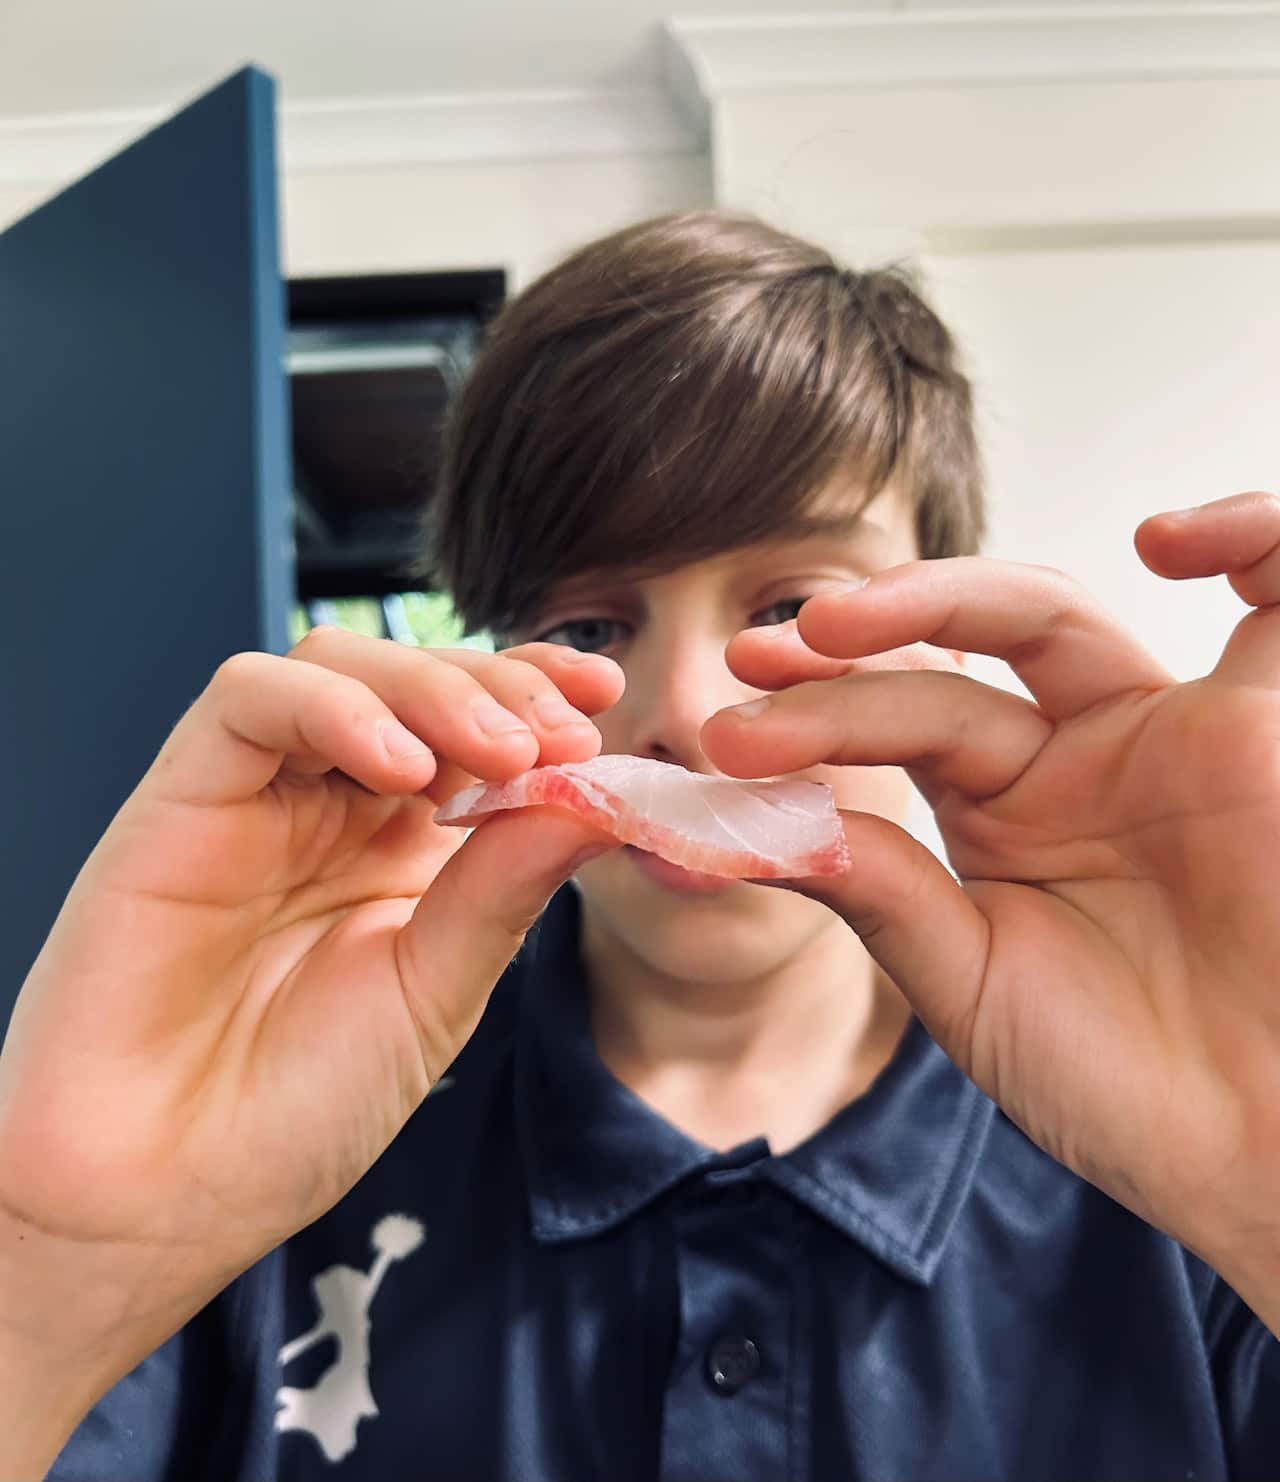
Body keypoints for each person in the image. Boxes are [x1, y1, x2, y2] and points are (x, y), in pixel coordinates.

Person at [1, 210, 1277, 1481]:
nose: (685, 716)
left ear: (942, 627)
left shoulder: (1171, 1165)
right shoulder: (279, 1137)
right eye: (591, 626)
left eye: (791, 607)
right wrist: (47, 1276)